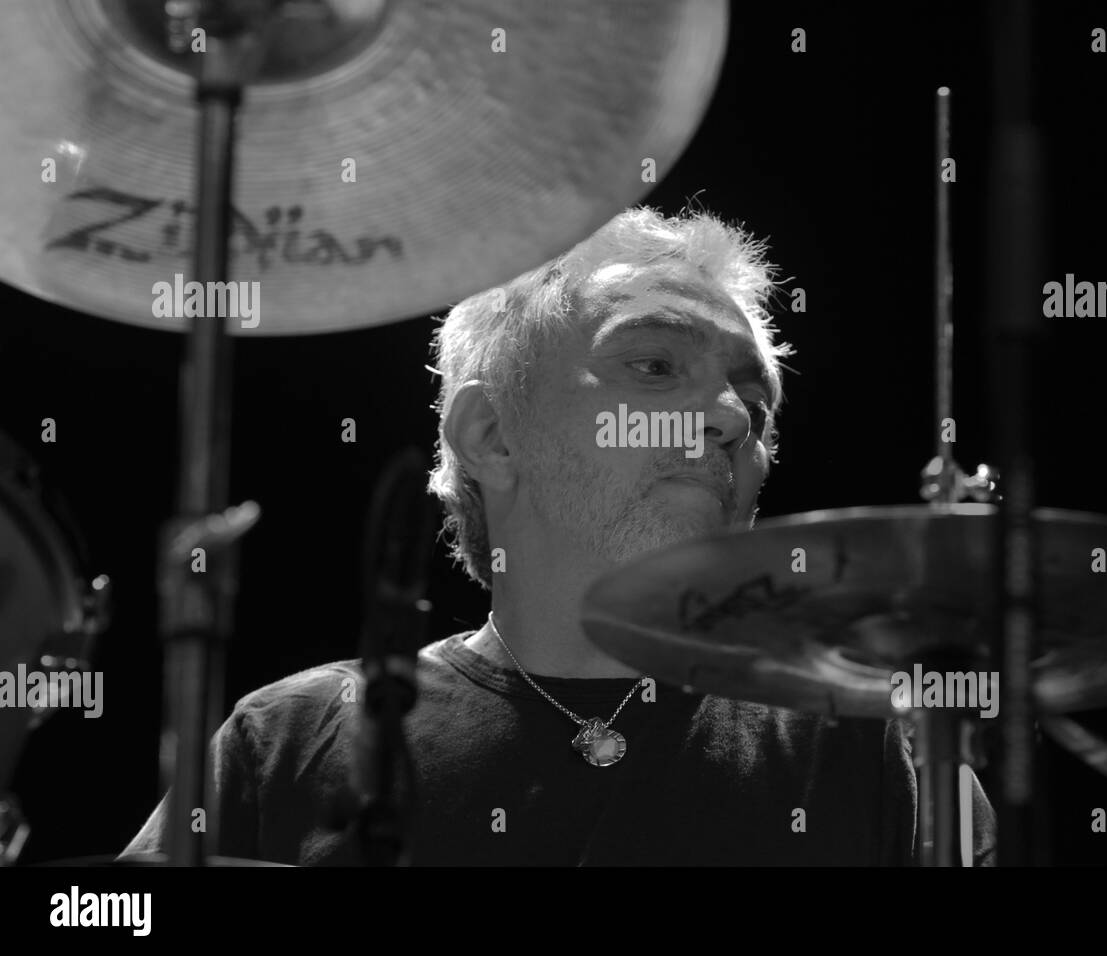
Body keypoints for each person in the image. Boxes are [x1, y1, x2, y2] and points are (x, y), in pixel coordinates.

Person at [122, 206, 996, 865]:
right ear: (493, 435)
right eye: (654, 365)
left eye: (755, 402)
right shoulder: (286, 742)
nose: (731, 417)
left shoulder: (872, 748)